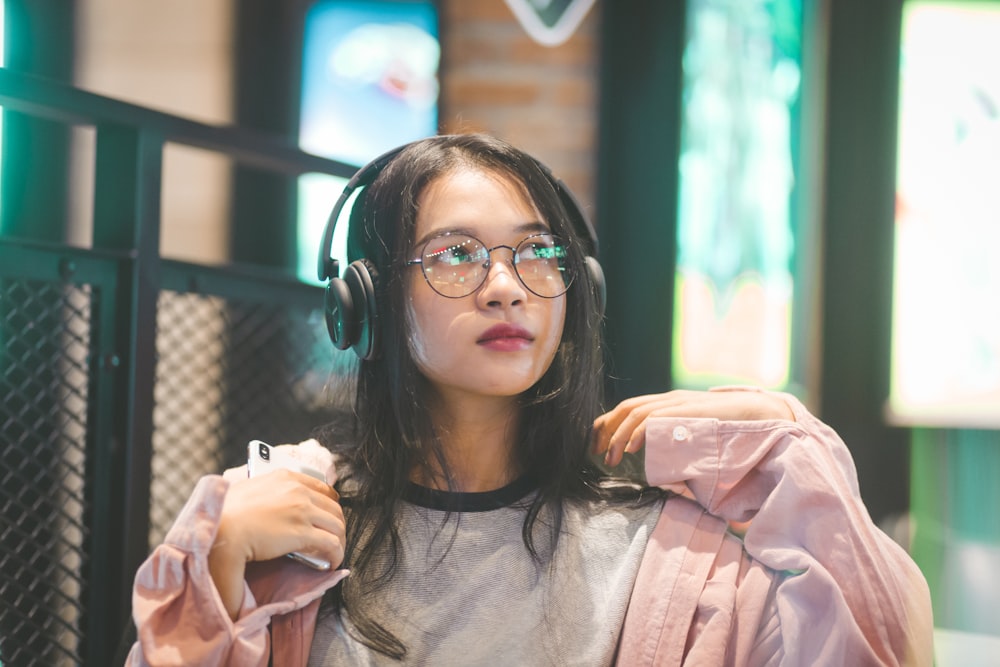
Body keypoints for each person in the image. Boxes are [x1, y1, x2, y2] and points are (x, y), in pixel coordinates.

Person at [126, 133, 933, 666]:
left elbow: (880, 647)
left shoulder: (673, 548)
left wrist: (795, 454)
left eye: (538, 253)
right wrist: (218, 564)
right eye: (457, 255)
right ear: (365, 301)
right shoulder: (281, 528)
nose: (508, 287)